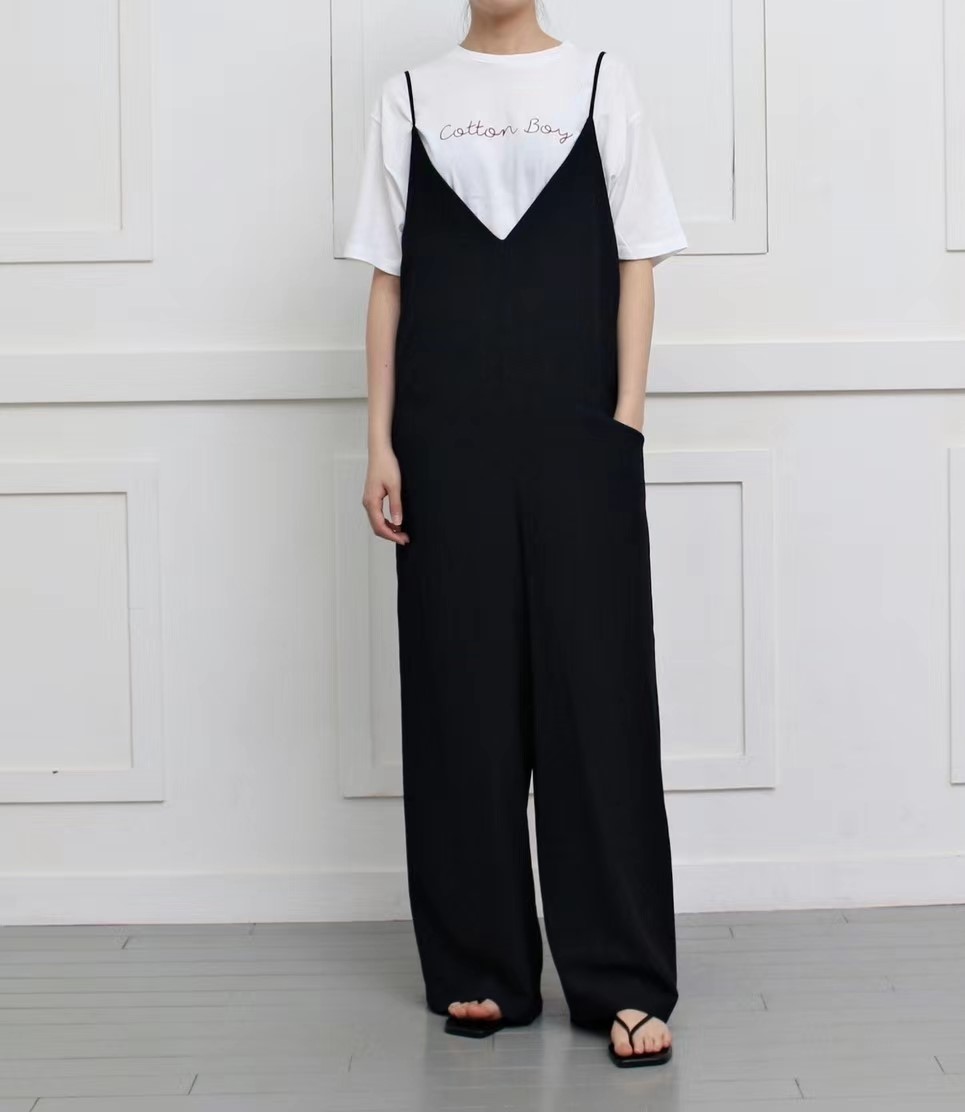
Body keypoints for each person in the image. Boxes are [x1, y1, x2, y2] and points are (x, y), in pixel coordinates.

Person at [343, 1, 687, 1068]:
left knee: (598, 698)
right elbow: (389, 281)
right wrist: (380, 443)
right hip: (442, 441)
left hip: (581, 435)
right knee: (463, 694)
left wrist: (626, 421)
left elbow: (638, 259)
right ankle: (482, 964)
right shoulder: (409, 97)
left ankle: (622, 978)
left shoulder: (600, 82)